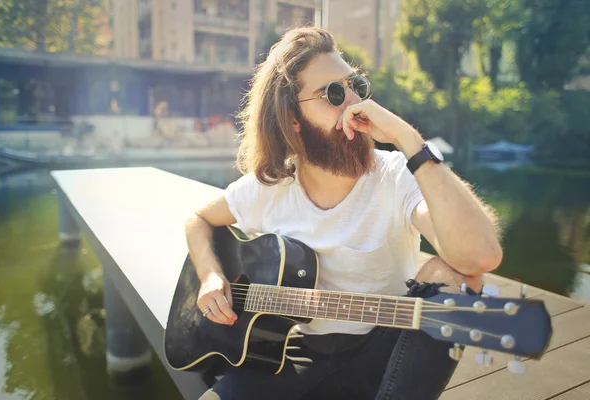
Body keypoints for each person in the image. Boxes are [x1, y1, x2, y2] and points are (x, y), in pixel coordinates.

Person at [184, 27, 503, 400]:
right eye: (333, 94)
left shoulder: (396, 175)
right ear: (291, 120)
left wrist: (409, 140)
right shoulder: (271, 187)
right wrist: (209, 276)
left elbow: (480, 257)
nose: (354, 104)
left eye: (357, 87)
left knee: (450, 274)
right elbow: (199, 219)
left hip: (386, 352)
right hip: (293, 352)